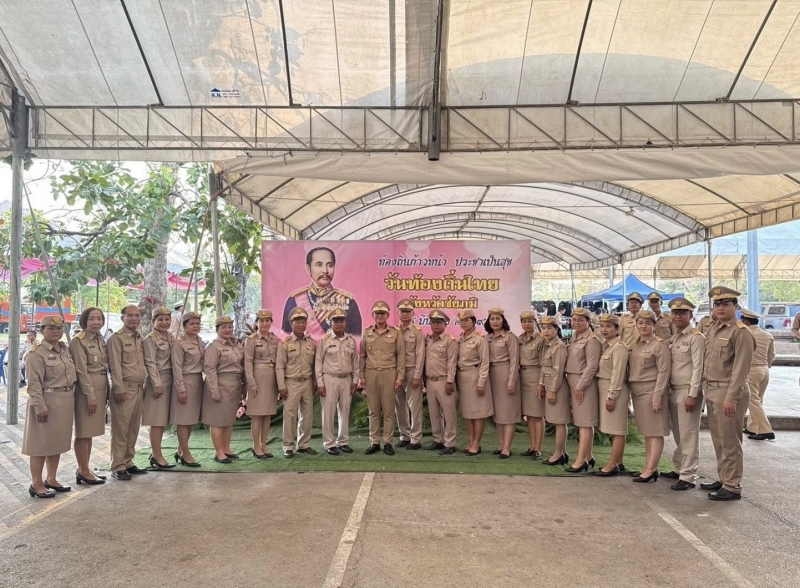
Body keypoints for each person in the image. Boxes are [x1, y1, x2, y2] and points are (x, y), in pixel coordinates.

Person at [702, 286, 755, 501]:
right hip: (712, 389)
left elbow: (741, 369)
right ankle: (724, 477)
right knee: (719, 439)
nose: (720, 308)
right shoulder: (715, 329)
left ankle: (732, 485)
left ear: (735, 306)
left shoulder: (741, 332)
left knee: (730, 440)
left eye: (725, 304)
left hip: (729, 391)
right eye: (717, 304)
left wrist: (731, 397)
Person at [22, 316, 77, 498]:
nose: (56, 331)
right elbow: (33, 384)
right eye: (51, 328)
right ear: (42, 330)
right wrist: (39, 406)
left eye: (59, 328)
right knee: (40, 444)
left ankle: (51, 478)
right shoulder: (36, 353)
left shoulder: (65, 350)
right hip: (46, 400)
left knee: (56, 442)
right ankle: (36, 483)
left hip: (64, 400)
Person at [662, 297, 704, 490]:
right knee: (679, 433)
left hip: (688, 390)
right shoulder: (675, 337)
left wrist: (693, 394)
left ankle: (688, 475)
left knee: (689, 434)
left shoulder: (696, 337)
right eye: (675, 313)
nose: (678, 316)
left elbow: (698, 367)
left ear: (690, 315)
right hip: (674, 390)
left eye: (682, 313)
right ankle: (679, 468)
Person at [627, 310, 671, 483]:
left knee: (655, 432)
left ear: (654, 326)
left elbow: (663, 372)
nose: (643, 326)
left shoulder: (659, 345)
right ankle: (647, 467)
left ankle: (651, 469)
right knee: (647, 431)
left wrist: (657, 396)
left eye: (648, 323)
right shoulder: (637, 344)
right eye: (640, 323)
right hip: (638, 392)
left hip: (652, 390)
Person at [282, 246, 362, 337]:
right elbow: (286, 337)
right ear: (308, 268)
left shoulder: (348, 301)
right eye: (319, 265)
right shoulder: (294, 300)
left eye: (330, 265)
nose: (325, 270)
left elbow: (356, 339)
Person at [107, 305, 147, 481]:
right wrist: (119, 388)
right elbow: (115, 366)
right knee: (120, 429)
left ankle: (128, 461)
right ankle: (118, 465)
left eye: (137, 316)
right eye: (130, 315)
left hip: (138, 388)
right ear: (122, 317)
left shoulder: (138, 337)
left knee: (133, 427)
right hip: (124, 389)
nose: (134, 319)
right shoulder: (116, 338)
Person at [359, 301, 405, 455]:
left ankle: (387, 442)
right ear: (373, 315)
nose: (380, 316)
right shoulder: (367, 332)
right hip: (371, 373)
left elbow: (401, 356)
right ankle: (374, 442)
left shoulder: (395, 333)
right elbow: (362, 356)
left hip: (389, 373)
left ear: (388, 315)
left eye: (382, 313)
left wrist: (400, 377)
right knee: (373, 410)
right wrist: (361, 376)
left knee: (388, 411)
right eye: (377, 313)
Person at [70, 307, 109, 485]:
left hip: (100, 385)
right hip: (87, 389)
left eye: (99, 318)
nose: (96, 322)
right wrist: (90, 395)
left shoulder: (99, 338)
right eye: (92, 319)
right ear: (84, 321)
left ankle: (85, 468)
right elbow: (81, 371)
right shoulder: (79, 341)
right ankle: (83, 470)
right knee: (83, 431)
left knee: (90, 431)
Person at [202, 316, 247, 464]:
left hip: (235, 385)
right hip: (220, 385)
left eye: (230, 327)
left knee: (229, 420)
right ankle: (219, 452)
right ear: (217, 329)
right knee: (218, 420)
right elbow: (209, 369)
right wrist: (214, 390)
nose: (227, 330)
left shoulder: (237, 345)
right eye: (223, 327)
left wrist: (244, 387)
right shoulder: (214, 347)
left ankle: (226, 448)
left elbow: (242, 366)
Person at [315, 308, 358, 456]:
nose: (339, 323)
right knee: (328, 412)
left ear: (345, 323)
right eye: (336, 321)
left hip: (346, 379)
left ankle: (343, 441)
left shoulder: (351, 340)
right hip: (329, 379)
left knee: (345, 411)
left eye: (341, 320)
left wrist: (355, 380)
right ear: (330, 323)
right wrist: (320, 383)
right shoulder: (324, 341)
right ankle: (329, 443)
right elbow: (318, 363)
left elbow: (355, 363)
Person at [277, 308, 317, 458]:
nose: (301, 325)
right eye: (297, 322)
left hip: (307, 382)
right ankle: (288, 446)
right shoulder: (285, 343)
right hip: (291, 383)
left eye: (303, 322)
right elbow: (279, 366)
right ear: (291, 324)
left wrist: (315, 382)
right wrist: (281, 386)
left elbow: (315, 365)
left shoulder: (311, 343)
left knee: (307, 415)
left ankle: (304, 444)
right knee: (290, 415)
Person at [593, 314, 630, 477]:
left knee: (617, 429)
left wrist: (612, 396)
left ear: (617, 329)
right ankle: (618, 462)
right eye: (602, 326)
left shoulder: (619, 347)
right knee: (615, 428)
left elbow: (618, 373)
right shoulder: (606, 345)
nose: (604, 329)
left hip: (614, 390)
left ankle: (612, 464)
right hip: (605, 388)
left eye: (608, 326)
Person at [564, 307, 600, 472]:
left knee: (585, 423)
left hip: (583, 383)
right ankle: (588, 456)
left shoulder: (591, 340)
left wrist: (580, 386)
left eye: (580, 320)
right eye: (574, 319)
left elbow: (592, 366)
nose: (576, 323)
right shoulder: (575, 337)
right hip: (574, 381)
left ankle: (580, 461)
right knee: (581, 422)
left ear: (588, 322)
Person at [244, 309, 281, 458]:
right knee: (257, 415)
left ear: (271, 322)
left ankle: (264, 444)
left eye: (267, 321)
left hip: (271, 378)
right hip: (258, 378)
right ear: (257, 323)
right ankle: (256, 445)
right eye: (261, 321)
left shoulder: (274, 339)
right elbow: (247, 362)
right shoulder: (251, 340)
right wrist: (251, 382)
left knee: (268, 414)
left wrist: (279, 383)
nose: (264, 324)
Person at [142, 307, 175, 469]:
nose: (164, 322)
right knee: (157, 420)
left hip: (171, 380)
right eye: (160, 319)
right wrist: (157, 383)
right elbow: (150, 362)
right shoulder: (150, 339)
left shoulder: (171, 337)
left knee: (163, 420)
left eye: (167, 319)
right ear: (153, 321)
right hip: (158, 381)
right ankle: (156, 454)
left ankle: (156, 453)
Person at [170, 311, 204, 467]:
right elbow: (176, 367)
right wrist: (181, 388)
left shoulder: (199, 340)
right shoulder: (179, 343)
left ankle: (180, 450)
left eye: (197, 323)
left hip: (197, 381)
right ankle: (186, 453)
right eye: (191, 324)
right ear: (184, 326)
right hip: (185, 381)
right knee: (183, 420)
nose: (195, 326)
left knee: (190, 420)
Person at [485, 308, 520, 459]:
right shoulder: (488, 338)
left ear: (503, 320)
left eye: (498, 319)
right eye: (492, 319)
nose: (495, 322)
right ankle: (501, 445)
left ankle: (507, 447)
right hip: (492, 376)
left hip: (506, 375)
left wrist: (511, 381)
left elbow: (514, 361)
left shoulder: (510, 337)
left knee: (508, 414)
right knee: (498, 415)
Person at [456, 309, 491, 456]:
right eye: (461, 320)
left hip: (475, 376)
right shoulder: (460, 339)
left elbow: (485, 362)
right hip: (462, 377)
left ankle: (476, 443)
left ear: (474, 321)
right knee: (467, 413)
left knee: (478, 413)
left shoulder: (480, 339)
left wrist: (481, 382)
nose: (464, 323)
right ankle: (471, 442)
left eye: (467, 320)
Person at [424, 310, 458, 455]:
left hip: (444, 381)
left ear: (445, 324)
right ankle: (438, 440)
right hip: (430, 381)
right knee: (434, 413)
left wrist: (450, 381)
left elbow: (452, 362)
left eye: (439, 322)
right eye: (433, 322)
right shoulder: (428, 339)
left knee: (449, 413)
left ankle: (450, 443)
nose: (436, 325)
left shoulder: (450, 341)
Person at [539, 316, 570, 465]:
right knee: (557, 421)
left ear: (557, 329)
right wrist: (541, 383)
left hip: (557, 387)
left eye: (550, 328)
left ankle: (558, 454)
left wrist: (552, 390)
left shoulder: (559, 346)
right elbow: (544, 367)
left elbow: (558, 371)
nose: (546, 331)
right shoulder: (548, 344)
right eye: (544, 328)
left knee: (559, 422)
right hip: (549, 385)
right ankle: (562, 453)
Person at [740, 308, 775, 441]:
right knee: (758, 399)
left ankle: (766, 430)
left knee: (752, 400)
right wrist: (766, 366)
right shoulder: (767, 334)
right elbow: (771, 354)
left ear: (746, 321)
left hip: (752, 370)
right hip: (764, 370)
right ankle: (753, 427)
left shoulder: (745, 333)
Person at [395, 299, 425, 450]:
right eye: (402, 311)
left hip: (412, 370)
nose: (405, 314)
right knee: (399, 405)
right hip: (397, 373)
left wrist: (417, 376)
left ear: (413, 313)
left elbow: (420, 355)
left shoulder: (417, 332)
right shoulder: (393, 331)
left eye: (408, 311)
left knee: (415, 406)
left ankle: (415, 439)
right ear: (398, 313)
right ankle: (404, 436)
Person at [519, 310, 546, 460]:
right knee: (529, 415)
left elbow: (544, 364)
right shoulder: (520, 339)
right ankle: (532, 446)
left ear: (535, 323)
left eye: (530, 321)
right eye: (524, 321)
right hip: (523, 378)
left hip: (536, 376)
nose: (527, 324)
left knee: (537, 415)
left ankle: (538, 448)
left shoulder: (541, 339)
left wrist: (541, 383)